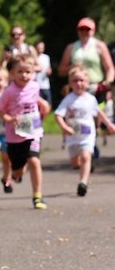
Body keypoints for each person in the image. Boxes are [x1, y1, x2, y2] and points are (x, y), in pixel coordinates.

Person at [0, 54, 51, 210]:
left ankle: (37, 196)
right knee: (18, 171)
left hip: (34, 132)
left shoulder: (34, 85)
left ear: (33, 72)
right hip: (15, 136)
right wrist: (9, 119)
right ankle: (16, 173)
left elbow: (33, 98)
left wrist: (43, 103)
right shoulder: (9, 92)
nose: (24, 75)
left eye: (28, 72)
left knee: (34, 160)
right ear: (12, 73)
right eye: (20, 72)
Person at [54, 66, 115, 197]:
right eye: (75, 81)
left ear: (87, 83)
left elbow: (99, 113)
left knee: (86, 156)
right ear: (70, 83)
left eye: (82, 80)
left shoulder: (90, 99)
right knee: (75, 162)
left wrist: (109, 124)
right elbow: (58, 115)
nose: (79, 83)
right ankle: (84, 167)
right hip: (73, 135)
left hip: (87, 135)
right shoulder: (68, 99)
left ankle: (83, 183)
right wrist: (65, 128)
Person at [58, 17, 115, 103]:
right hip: (77, 88)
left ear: (93, 31)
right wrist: (73, 67)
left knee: (98, 113)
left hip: (96, 88)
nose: (84, 32)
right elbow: (61, 71)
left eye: (87, 29)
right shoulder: (71, 47)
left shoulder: (100, 46)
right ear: (78, 30)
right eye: (81, 29)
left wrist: (107, 83)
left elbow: (110, 68)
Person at [34, 41, 53, 106]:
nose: (40, 48)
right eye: (39, 47)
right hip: (36, 85)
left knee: (48, 105)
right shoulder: (32, 58)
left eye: (42, 47)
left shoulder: (46, 57)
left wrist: (49, 71)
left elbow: (49, 69)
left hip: (45, 85)